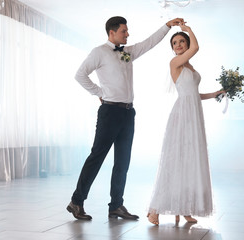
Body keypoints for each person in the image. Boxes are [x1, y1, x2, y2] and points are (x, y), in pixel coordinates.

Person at [67, 16, 185, 221]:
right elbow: (80, 75)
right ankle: (76, 201)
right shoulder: (99, 52)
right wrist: (99, 92)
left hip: (128, 113)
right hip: (110, 112)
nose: (128, 34)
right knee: (97, 157)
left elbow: (149, 42)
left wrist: (167, 26)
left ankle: (116, 205)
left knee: (123, 161)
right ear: (111, 32)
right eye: (124, 31)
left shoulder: (127, 52)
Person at [147, 22, 225, 225]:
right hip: (182, 114)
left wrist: (216, 93)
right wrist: (187, 29)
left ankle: (185, 208)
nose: (178, 45)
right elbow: (196, 48)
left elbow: (194, 95)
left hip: (194, 114)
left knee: (190, 160)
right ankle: (154, 209)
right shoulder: (175, 63)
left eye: (182, 41)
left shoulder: (189, 66)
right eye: (175, 43)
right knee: (176, 159)